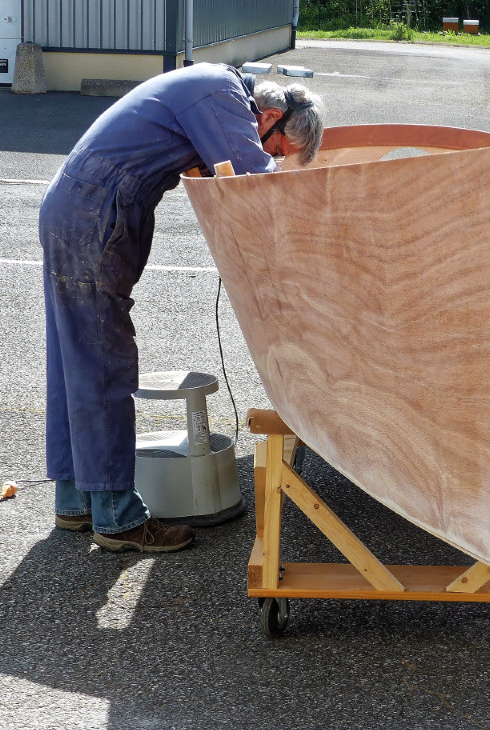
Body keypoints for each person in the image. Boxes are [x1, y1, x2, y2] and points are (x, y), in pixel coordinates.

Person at [40, 62, 324, 553]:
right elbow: (257, 187)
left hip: (76, 207)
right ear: (270, 115)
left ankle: (76, 502)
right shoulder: (223, 96)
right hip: (94, 218)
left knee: (76, 360)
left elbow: (211, 174)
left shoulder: (209, 86)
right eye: (275, 147)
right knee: (104, 364)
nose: (269, 154)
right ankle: (117, 518)